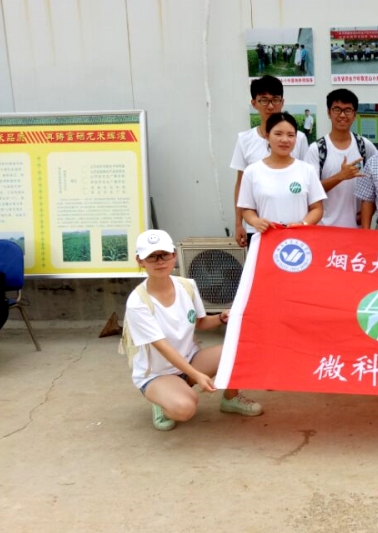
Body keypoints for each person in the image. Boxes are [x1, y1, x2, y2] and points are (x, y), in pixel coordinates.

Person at [125, 229, 262, 431]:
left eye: (164, 254)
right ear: (140, 260)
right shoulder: (137, 302)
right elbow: (163, 347)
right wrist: (197, 375)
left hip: (190, 359)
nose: (160, 261)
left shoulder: (187, 286)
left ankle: (230, 398)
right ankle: (161, 401)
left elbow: (201, 322)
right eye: (151, 256)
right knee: (185, 409)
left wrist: (221, 318)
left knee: (241, 350)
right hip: (158, 373)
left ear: (173, 255)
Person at [230, 75, 310, 248]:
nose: (271, 106)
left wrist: (306, 222)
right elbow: (240, 184)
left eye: (275, 99)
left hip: (294, 227)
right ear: (254, 103)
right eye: (264, 100)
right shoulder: (245, 139)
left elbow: (308, 182)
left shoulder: (299, 138)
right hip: (259, 227)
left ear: (282, 102)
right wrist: (238, 223)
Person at [238, 112, 326, 233]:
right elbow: (247, 209)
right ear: (267, 136)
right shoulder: (252, 171)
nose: (285, 140)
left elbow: (317, 209)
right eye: (278, 134)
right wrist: (255, 221)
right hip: (267, 238)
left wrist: (303, 224)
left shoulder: (307, 170)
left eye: (291, 135)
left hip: (299, 240)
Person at [304, 89, 378, 228]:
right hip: (324, 228)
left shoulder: (365, 146)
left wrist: (369, 211)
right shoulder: (317, 149)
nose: (342, 115)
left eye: (348, 110)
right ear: (329, 113)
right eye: (337, 109)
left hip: (356, 228)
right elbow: (309, 191)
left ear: (355, 114)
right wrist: (340, 176)